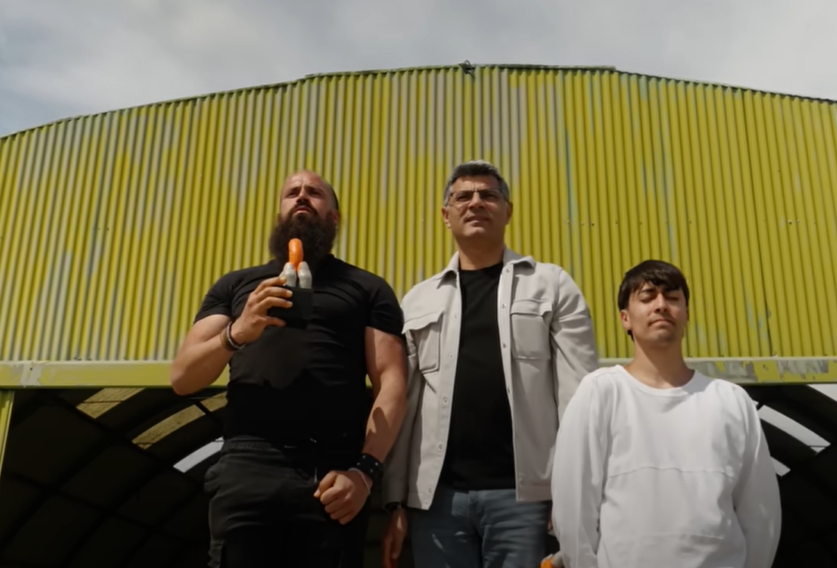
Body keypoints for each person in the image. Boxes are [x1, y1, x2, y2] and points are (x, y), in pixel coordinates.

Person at [169, 170, 408, 567]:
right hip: (248, 464)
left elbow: (392, 384)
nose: (301, 196)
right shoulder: (237, 285)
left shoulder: (367, 288)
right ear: (279, 214)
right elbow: (182, 378)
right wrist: (238, 331)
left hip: (331, 471)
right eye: (292, 192)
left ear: (334, 217)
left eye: (314, 192)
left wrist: (364, 473)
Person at [381, 160, 599, 568]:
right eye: (463, 196)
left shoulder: (551, 285)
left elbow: (579, 395)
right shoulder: (418, 300)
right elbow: (402, 406)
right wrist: (395, 501)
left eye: (488, 195)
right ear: (446, 215)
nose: (476, 203)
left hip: (527, 501)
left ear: (507, 211)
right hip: (437, 504)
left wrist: (571, 492)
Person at [550, 260, 781, 568]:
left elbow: (761, 512)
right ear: (625, 318)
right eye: (647, 297)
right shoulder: (601, 392)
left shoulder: (731, 400)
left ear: (686, 314)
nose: (661, 305)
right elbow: (573, 506)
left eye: (672, 298)